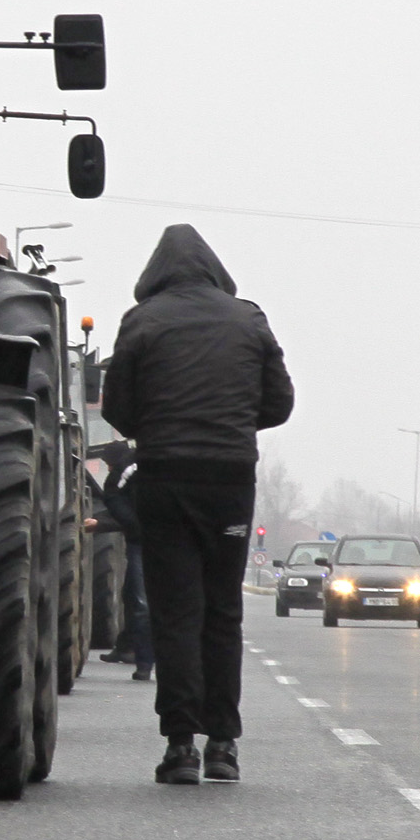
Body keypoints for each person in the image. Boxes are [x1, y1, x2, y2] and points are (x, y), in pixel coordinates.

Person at [100, 226, 292, 784]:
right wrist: (230, 422)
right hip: (230, 478)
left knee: (175, 612)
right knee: (222, 611)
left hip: (166, 479)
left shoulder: (143, 321)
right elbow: (279, 402)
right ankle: (224, 745)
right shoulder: (248, 318)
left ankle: (180, 746)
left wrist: (159, 429)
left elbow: (119, 406)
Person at [89, 439, 152, 677]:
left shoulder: (130, 470)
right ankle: (127, 648)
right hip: (141, 538)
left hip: (151, 541)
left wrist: (102, 523)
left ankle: (143, 660)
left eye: (107, 464)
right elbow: (121, 507)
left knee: (142, 601)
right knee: (133, 595)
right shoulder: (126, 476)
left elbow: (120, 506)